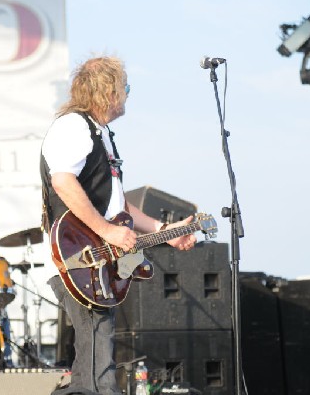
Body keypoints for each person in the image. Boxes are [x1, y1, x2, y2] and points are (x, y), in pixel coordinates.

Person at [40, 56, 197, 395]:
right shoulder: (73, 127)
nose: (127, 94)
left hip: (98, 259)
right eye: (125, 87)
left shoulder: (102, 136)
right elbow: (63, 182)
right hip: (76, 257)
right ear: (108, 92)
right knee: (97, 359)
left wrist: (164, 232)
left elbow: (119, 206)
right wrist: (108, 231)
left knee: (95, 358)